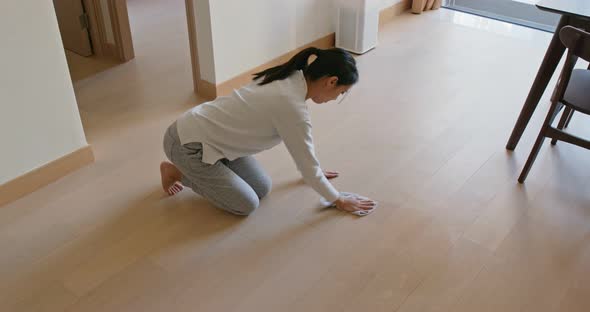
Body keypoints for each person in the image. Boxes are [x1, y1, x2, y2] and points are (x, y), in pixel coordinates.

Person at [160, 47, 376, 216]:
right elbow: (306, 163)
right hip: (187, 144)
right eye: (341, 92)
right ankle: (176, 172)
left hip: (217, 142)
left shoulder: (291, 76)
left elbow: (304, 155)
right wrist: (339, 199)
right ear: (332, 81)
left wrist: (314, 171)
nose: (336, 98)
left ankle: (213, 170)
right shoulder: (291, 106)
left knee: (261, 187)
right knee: (245, 204)